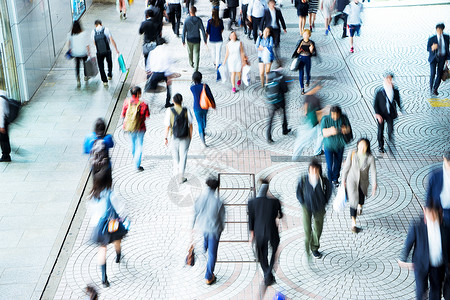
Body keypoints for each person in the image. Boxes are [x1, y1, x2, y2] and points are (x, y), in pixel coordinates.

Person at [398, 204, 449, 300]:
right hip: (421, 263)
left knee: (436, 290)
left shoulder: (444, 226)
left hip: (438, 265)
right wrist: (403, 258)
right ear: (425, 211)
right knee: (421, 290)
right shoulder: (417, 225)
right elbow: (409, 242)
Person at [88, 167, 128, 287]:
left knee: (102, 249)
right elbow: (120, 208)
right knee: (117, 239)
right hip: (111, 225)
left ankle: (104, 278)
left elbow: (91, 212)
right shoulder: (110, 194)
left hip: (98, 228)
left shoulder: (92, 196)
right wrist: (125, 217)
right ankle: (118, 255)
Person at [248, 179, 283, 286]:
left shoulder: (252, 202)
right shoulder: (275, 201)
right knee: (274, 251)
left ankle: (267, 274)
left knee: (262, 255)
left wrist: (252, 234)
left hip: (259, 232)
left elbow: (251, 220)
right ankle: (269, 274)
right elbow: (280, 215)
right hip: (272, 230)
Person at [192, 178, 225, 285]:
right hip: (214, 230)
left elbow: (195, 212)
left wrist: (192, 226)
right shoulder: (218, 202)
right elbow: (221, 219)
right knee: (212, 255)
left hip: (203, 226)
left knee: (206, 237)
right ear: (216, 188)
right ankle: (208, 276)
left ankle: (205, 246)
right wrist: (221, 229)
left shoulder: (200, 198)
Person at [296, 159, 332, 258]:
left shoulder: (324, 180)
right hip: (306, 207)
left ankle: (314, 248)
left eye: (316, 170)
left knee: (318, 229)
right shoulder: (303, 179)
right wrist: (302, 201)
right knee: (307, 229)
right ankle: (307, 248)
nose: (313, 172)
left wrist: (324, 203)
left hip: (319, 208)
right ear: (309, 170)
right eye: (311, 170)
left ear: (319, 170)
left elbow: (329, 192)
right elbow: (298, 191)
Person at [341, 138, 377, 233]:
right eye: (360, 145)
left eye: (364, 146)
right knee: (353, 201)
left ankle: (360, 206)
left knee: (361, 199)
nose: (362, 148)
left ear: (367, 147)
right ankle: (353, 223)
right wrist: (343, 179)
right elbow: (346, 167)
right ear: (357, 146)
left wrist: (374, 183)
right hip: (351, 180)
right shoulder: (352, 154)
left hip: (363, 182)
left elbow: (373, 171)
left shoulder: (370, 158)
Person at [164, 93, 194, 183]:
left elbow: (167, 126)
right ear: (182, 101)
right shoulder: (186, 110)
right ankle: (181, 177)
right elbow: (191, 125)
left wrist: (165, 138)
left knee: (175, 157)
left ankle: (175, 174)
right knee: (183, 156)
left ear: (173, 101)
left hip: (174, 136)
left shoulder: (169, 111)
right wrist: (190, 136)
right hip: (185, 136)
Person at [321, 105, 351, 187]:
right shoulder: (325, 119)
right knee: (330, 165)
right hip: (328, 146)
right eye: (333, 115)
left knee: (338, 163)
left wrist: (345, 129)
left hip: (340, 145)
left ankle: (335, 179)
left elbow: (349, 129)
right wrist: (331, 131)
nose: (334, 117)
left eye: (336, 115)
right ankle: (329, 180)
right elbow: (323, 133)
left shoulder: (343, 118)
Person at [121, 86, 150, 172]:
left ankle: (135, 158)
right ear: (138, 94)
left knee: (132, 143)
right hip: (140, 127)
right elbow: (147, 116)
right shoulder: (143, 104)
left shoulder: (126, 102)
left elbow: (123, 115)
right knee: (139, 145)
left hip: (130, 127)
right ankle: (137, 165)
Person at [292, 85, 325, 159]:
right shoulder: (316, 99)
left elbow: (305, 106)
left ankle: (296, 154)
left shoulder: (307, 96)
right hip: (314, 122)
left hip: (307, 120)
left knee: (305, 138)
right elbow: (319, 113)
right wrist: (320, 122)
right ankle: (316, 151)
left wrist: (306, 113)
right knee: (316, 136)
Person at [373, 72, 401, 154]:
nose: (389, 80)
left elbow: (398, 100)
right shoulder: (380, 92)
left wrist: (400, 109)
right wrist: (377, 114)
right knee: (380, 131)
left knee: (390, 130)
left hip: (390, 114)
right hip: (381, 114)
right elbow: (375, 104)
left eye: (390, 79)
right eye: (387, 79)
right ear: (384, 79)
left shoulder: (395, 91)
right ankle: (380, 146)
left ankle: (390, 144)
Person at [146, 38, 176, 108]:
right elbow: (168, 64)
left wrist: (149, 71)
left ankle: (150, 102)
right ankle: (167, 102)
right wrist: (169, 77)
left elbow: (148, 65)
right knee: (169, 87)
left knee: (152, 87)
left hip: (155, 73)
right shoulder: (167, 51)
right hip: (164, 73)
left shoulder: (152, 52)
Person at [91, 20, 120, 86]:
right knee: (109, 62)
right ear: (101, 24)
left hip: (99, 51)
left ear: (95, 25)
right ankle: (109, 74)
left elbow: (94, 43)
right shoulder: (106, 29)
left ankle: (104, 81)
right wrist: (116, 49)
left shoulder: (93, 31)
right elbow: (111, 39)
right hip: (107, 50)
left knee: (101, 66)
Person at [190, 71, 215, 146]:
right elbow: (210, 96)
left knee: (199, 122)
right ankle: (203, 129)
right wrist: (214, 104)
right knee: (204, 119)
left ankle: (202, 139)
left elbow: (191, 85)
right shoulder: (205, 86)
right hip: (205, 106)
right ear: (201, 78)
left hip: (196, 107)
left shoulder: (192, 88)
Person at [426, 150, 450, 226]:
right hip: (440, 214)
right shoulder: (435, 176)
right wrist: (429, 210)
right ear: (444, 159)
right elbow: (429, 196)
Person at [266, 70, 290, 143]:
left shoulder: (270, 75)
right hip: (280, 100)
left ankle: (268, 136)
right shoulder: (281, 76)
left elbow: (267, 88)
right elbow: (285, 90)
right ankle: (284, 130)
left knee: (271, 119)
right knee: (284, 115)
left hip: (272, 102)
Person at [182, 6, 207, 72]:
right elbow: (202, 30)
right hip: (197, 38)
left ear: (190, 12)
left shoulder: (186, 20)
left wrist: (183, 40)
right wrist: (205, 39)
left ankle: (191, 63)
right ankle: (196, 68)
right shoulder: (199, 20)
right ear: (195, 11)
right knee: (197, 53)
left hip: (189, 38)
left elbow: (184, 31)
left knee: (190, 52)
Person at [428, 23, 450, 96]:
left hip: (442, 58)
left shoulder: (446, 37)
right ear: (436, 30)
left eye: (440, 30)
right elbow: (428, 48)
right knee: (432, 73)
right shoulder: (432, 39)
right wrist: (432, 48)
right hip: (434, 58)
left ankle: (435, 89)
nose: (439, 32)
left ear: (443, 30)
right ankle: (431, 88)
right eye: (438, 30)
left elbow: (447, 48)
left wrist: (447, 58)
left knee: (439, 74)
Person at [292, 29, 315, 95]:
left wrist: (311, 50)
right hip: (301, 58)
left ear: (309, 35)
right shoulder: (300, 42)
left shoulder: (311, 43)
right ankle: (302, 88)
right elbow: (297, 51)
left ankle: (308, 81)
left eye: (307, 34)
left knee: (307, 72)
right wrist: (298, 51)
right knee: (301, 73)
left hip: (307, 58)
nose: (305, 36)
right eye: (304, 34)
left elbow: (312, 53)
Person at [68, 21, 90, 87]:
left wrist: (71, 49)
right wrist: (89, 52)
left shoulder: (71, 34)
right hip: (83, 52)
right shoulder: (84, 33)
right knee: (85, 64)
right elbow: (87, 44)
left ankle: (78, 78)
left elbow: (69, 44)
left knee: (77, 65)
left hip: (75, 52)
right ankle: (86, 76)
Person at [0, 91, 11, 162]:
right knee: (4, 138)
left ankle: (6, 156)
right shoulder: (3, 93)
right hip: (6, 119)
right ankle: (6, 154)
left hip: (2, 121)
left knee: (3, 139)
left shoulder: (0, 99)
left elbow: (1, 113)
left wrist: (1, 126)